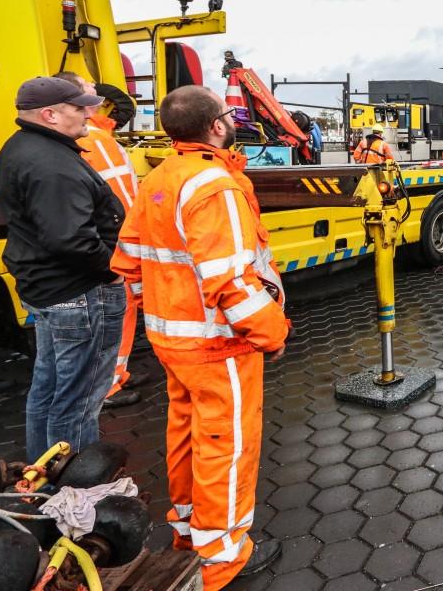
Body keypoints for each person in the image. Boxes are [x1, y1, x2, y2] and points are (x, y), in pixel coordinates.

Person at [111, 86, 288, 588]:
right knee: (226, 448)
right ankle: (222, 559)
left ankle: (190, 533)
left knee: (188, 436)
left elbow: (129, 263)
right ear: (215, 127)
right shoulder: (216, 187)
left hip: (175, 343)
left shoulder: (160, 178)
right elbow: (231, 282)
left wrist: (161, 314)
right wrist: (271, 334)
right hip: (219, 347)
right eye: (227, 116)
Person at [0, 77, 125, 460]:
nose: (88, 113)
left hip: (51, 291)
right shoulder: (52, 165)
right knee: (78, 399)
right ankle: (75, 494)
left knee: (50, 389)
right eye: (79, 107)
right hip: (79, 294)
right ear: (49, 115)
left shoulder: (21, 147)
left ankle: (44, 475)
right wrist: (112, 269)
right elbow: (71, 240)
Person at [56, 72, 145, 408]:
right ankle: (107, 385)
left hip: (117, 241)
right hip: (114, 244)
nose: (98, 95)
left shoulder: (94, 137)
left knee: (123, 312)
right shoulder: (90, 141)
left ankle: (117, 375)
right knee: (113, 315)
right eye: (91, 91)